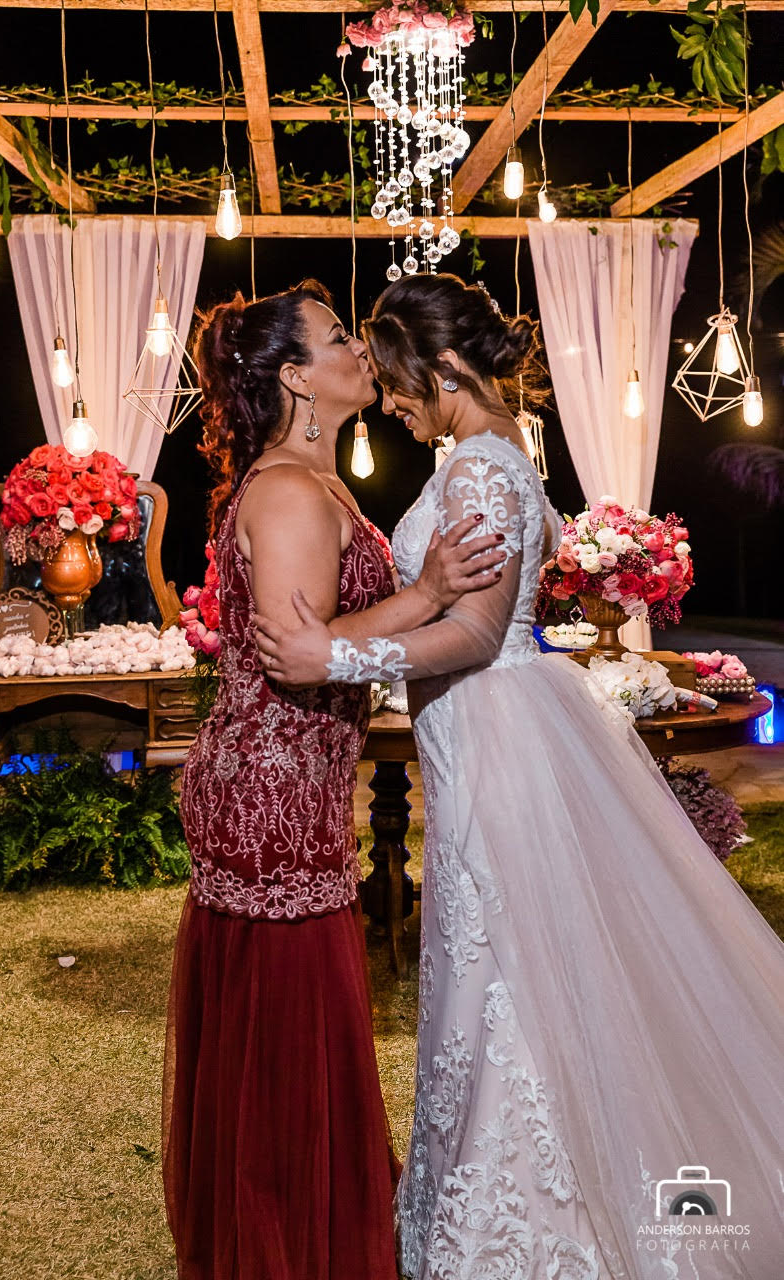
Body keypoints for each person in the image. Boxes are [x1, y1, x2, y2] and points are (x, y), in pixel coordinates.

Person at [255, 273, 784, 1280]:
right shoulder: (499, 450)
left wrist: (333, 656)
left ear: (445, 366)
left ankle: (537, 1221)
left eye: (398, 379)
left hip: (495, 737)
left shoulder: (479, 469)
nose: (390, 399)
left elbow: (476, 630)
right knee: (502, 967)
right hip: (484, 734)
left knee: (503, 972)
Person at [162, 278, 509, 1280]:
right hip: (268, 796)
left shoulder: (317, 482)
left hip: (300, 787)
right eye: (338, 337)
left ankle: (314, 1228)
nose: (362, 348)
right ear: (294, 378)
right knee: (285, 1032)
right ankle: (287, 1246)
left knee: (299, 1032)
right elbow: (297, 652)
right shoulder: (283, 490)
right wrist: (427, 593)